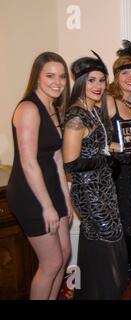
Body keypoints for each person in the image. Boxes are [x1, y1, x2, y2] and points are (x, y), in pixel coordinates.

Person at [7, 52, 73, 299]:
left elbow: (56, 159)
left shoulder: (53, 108)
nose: (57, 82)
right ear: (37, 77)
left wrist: (65, 200)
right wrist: (47, 207)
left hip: (52, 187)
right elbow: (28, 162)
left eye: (62, 77)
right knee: (51, 263)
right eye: (50, 76)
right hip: (30, 193)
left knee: (64, 255)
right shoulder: (28, 108)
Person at [63, 52, 128, 299]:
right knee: (107, 247)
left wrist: (122, 148)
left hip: (104, 188)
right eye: (91, 80)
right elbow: (70, 164)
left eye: (102, 80)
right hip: (89, 193)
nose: (98, 86)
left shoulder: (93, 111)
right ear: (80, 83)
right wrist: (107, 159)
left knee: (101, 247)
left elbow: (98, 145)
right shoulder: (77, 117)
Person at [107, 40, 131, 274]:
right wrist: (119, 147)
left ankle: (129, 278)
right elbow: (92, 139)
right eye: (125, 72)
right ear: (116, 76)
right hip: (117, 178)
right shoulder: (109, 101)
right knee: (119, 236)